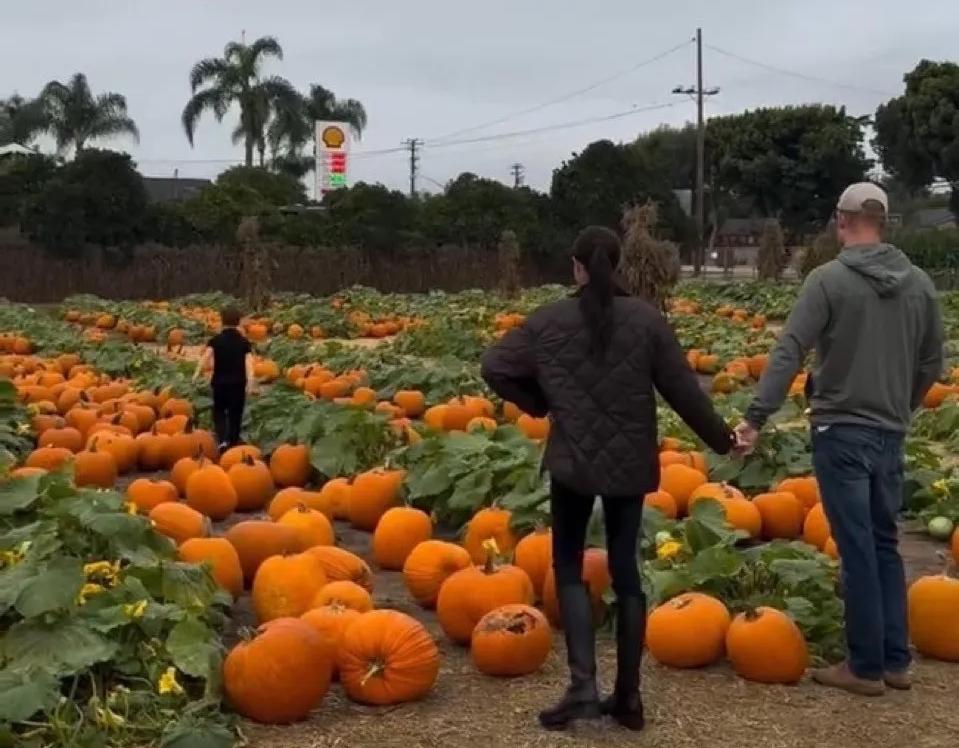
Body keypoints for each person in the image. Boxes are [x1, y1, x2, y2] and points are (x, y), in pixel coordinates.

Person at [481, 226, 736, 731]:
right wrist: (725, 441)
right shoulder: (646, 320)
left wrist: (541, 402)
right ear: (614, 265)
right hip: (629, 462)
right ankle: (629, 697)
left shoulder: (548, 321)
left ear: (576, 266)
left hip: (573, 461)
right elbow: (685, 393)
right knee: (627, 572)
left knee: (570, 567)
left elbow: (494, 366)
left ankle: (581, 687)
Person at [736, 182, 944, 696]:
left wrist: (756, 415)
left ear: (841, 220)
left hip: (841, 430)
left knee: (856, 548)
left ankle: (865, 666)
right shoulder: (918, 283)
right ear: (884, 221)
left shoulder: (827, 280)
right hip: (890, 431)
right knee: (885, 542)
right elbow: (932, 362)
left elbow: (789, 351)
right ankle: (896, 661)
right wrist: (905, 404)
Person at [193, 306, 256, 450]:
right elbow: (249, 364)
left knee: (219, 411)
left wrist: (196, 373)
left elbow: (205, 357)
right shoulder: (243, 342)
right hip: (238, 383)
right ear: (239, 321)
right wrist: (250, 382)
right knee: (236, 413)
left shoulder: (215, 340)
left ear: (222, 321)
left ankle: (222, 439)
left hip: (219, 383)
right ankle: (233, 442)